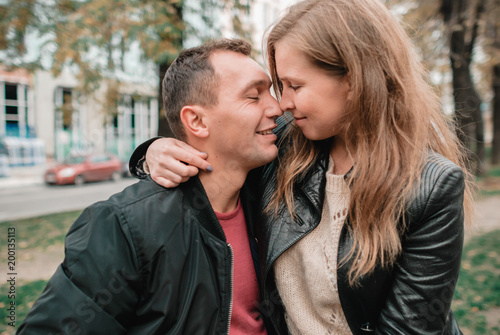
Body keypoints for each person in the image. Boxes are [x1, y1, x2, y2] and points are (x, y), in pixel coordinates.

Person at [130, 0, 476, 334]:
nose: (283, 104)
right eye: (281, 86)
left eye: (294, 85)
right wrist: (153, 151)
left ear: (355, 80)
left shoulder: (431, 186)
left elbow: (409, 327)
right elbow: (216, 150)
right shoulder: (282, 146)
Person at [18, 38, 282, 334]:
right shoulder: (125, 226)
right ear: (196, 121)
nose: (277, 107)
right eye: (253, 96)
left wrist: (150, 149)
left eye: (272, 91)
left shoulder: (271, 192)